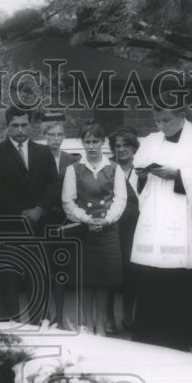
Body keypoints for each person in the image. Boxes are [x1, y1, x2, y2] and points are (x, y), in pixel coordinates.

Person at [130, 104, 192, 353]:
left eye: (166, 121)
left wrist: (178, 176)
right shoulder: (150, 140)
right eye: (157, 121)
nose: (160, 127)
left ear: (182, 116)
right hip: (153, 222)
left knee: (182, 286)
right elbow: (135, 176)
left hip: (183, 222)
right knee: (151, 285)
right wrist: (142, 174)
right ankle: (150, 343)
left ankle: (184, 342)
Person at [0, 105, 60, 324]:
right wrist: (20, 212)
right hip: (9, 227)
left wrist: (39, 209)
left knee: (38, 278)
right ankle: (8, 333)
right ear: (8, 127)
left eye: (24, 125)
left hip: (38, 226)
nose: (20, 130)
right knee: (9, 281)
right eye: (15, 125)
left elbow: (53, 184)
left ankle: (40, 327)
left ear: (30, 125)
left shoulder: (43, 152)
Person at [61, 122, 127, 335]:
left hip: (108, 232)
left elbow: (120, 200)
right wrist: (87, 219)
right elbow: (68, 203)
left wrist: (106, 220)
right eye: (87, 141)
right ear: (83, 143)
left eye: (95, 141)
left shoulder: (114, 168)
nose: (91, 146)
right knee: (86, 282)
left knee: (104, 282)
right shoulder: (74, 169)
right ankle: (87, 327)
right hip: (84, 232)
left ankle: (100, 327)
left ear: (103, 142)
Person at [40, 112, 79, 329]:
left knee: (61, 270)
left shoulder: (71, 160)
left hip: (64, 221)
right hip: (43, 221)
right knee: (43, 269)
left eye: (60, 135)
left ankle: (61, 316)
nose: (56, 139)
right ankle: (44, 314)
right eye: (52, 135)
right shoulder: (38, 156)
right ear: (44, 135)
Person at [105, 127, 141, 334]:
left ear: (133, 147)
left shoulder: (141, 170)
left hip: (136, 230)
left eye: (126, 145)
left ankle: (128, 316)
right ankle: (109, 317)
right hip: (113, 228)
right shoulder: (107, 169)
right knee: (111, 272)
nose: (121, 150)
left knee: (133, 272)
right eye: (117, 146)